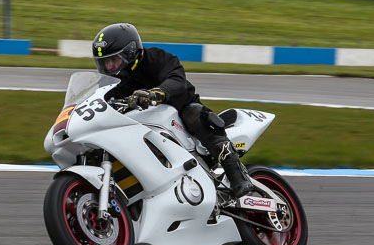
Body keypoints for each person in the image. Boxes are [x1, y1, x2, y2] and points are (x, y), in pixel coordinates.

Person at [92, 22, 253, 197]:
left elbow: (177, 80)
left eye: (113, 61)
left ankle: (236, 175)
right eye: (104, 62)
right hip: (139, 122)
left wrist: (156, 93)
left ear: (130, 53)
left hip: (179, 111)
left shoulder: (156, 58)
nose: (109, 67)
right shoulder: (109, 81)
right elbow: (100, 99)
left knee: (195, 114)